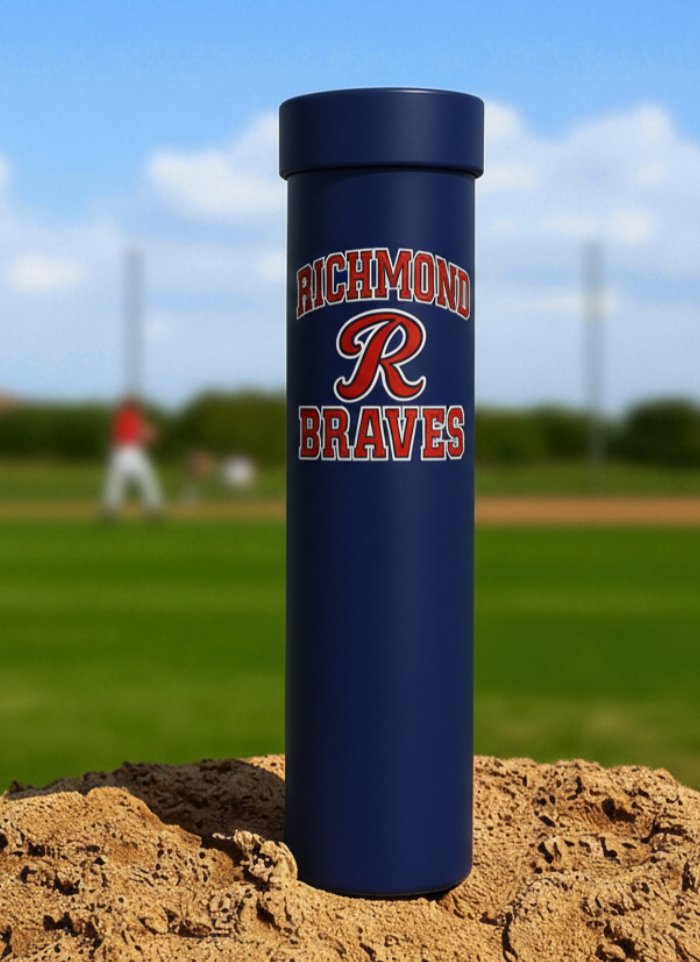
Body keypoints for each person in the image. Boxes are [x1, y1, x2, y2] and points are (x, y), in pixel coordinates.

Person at [101, 396, 164, 518]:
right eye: (138, 406)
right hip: (132, 452)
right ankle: (154, 510)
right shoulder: (131, 418)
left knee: (115, 483)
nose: (140, 408)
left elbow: (140, 434)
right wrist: (154, 434)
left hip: (119, 452)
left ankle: (109, 511)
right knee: (146, 481)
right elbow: (143, 435)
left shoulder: (120, 417)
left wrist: (151, 434)